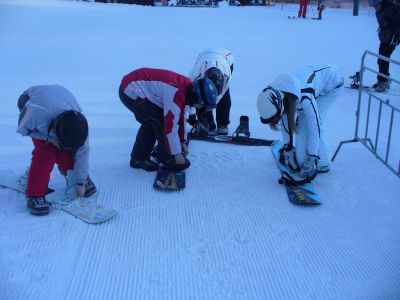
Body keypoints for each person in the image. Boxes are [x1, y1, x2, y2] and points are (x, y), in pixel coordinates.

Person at [17, 85, 96, 216]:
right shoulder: (36, 113)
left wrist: (81, 181)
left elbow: (83, 153)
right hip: (32, 101)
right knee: (45, 153)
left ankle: (73, 179)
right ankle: (34, 195)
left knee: (66, 152)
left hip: (57, 104)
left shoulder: (80, 126)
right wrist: (47, 137)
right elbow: (23, 129)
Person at [119, 67, 218, 172]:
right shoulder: (176, 93)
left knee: (152, 121)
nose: (199, 108)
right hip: (131, 90)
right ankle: (166, 158)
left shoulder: (187, 89)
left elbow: (181, 117)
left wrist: (182, 141)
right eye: (201, 104)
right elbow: (170, 127)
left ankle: (139, 158)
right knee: (158, 121)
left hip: (137, 86)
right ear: (195, 96)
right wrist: (176, 153)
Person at [257, 65, 344, 181]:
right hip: (312, 85)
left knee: (308, 124)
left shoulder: (305, 96)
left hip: (332, 85)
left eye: (274, 118)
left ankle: (323, 163)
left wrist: (312, 158)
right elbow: (285, 120)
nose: (274, 121)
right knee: (300, 160)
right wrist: (288, 150)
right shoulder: (279, 95)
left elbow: (315, 127)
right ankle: (309, 157)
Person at [187, 48, 234, 135]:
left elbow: (221, 93)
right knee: (199, 96)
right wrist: (191, 114)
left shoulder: (227, 74)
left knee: (224, 96)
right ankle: (208, 122)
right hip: (203, 57)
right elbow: (189, 96)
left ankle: (222, 124)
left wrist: (211, 104)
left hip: (226, 57)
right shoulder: (194, 76)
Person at [370, 0, 400, 92]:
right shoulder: (380, 10)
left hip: (392, 38)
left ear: (380, 3)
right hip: (385, 37)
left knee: (383, 59)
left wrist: (395, 38)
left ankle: (383, 81)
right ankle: (383, 80)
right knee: (381, 59)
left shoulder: (390, 8)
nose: (375, 8)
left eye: (376, 6)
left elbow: (398, 23)